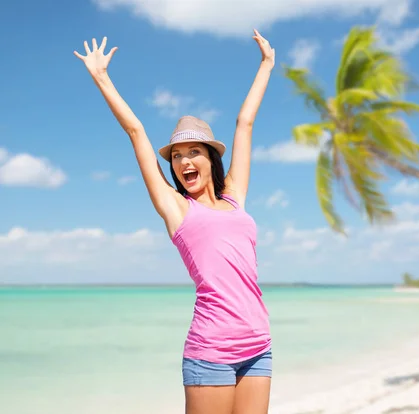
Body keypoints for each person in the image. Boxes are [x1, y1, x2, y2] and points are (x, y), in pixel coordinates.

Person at [74, 31, 275, 414]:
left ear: (210, 159)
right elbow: (136, 132)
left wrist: (266, 65)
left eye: (193, 152)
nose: (184, 163)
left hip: (258, 346)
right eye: (177, 156)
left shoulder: (235, 196)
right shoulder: (176, 208)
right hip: (211, 350)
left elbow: (245, 123)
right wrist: (101, 77)